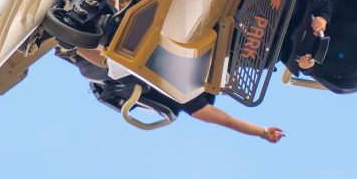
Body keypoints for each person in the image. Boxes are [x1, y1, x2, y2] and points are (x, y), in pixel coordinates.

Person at [69, 46, 284, 142]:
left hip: (121, 68)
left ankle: (70, 42)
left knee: (122, 62)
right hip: (142, 39)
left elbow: (227, 121)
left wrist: (262, 131)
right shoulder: (201, 48)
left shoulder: (191, 95)